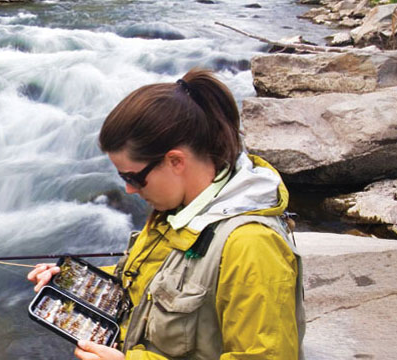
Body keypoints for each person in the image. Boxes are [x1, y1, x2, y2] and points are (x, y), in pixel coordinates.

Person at [27, 68, 305, 359]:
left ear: (175, 161)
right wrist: (74, 284)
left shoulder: (252, 247)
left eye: (133, 178)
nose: (129, 190)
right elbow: (152, 286)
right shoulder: (179, 209)